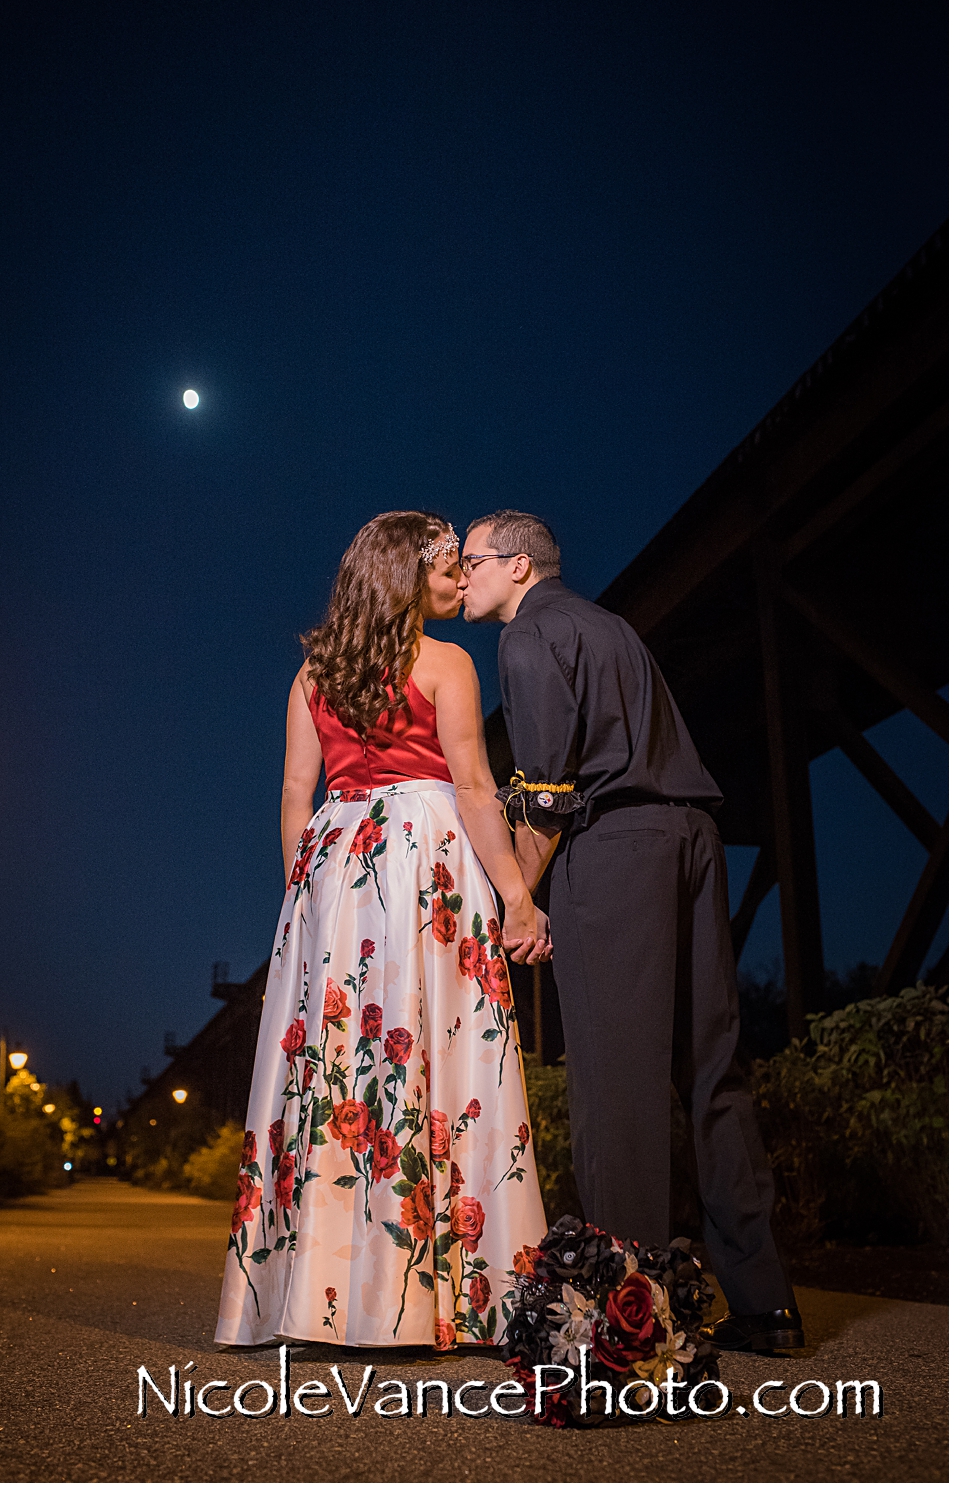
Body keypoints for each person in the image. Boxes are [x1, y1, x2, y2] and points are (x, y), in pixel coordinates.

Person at [460, 509, 801, 1352]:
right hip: (693, 836)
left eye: (470, 562)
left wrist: (519, 898)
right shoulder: (609, 625)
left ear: (516, 566)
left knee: (617, 1082)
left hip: (617, 851)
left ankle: (628, 1317)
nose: (459, 577)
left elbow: (548, 789)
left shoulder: (530, 634)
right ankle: (766, 1301)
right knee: (712, 1065)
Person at [216, 511, 551, 1352]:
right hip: (423, 856)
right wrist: (515, 895)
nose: (456, 580)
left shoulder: (311, 674)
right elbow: (474, 787)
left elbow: (297, 796)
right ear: (407, 573)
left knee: (340, 1071)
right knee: (434, 1049)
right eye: (444, 565)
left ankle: (326, 1296)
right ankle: (455, 1294)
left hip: (336, 862)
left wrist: (309, 903)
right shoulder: (446, 663)